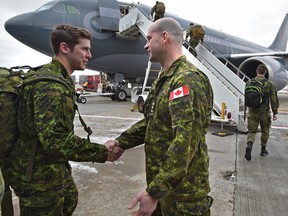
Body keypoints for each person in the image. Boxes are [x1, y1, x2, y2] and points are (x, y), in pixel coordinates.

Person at [7, 24, 124, 215]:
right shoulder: (50, 85)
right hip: (38, 180)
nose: (89, 55)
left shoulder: (58, 79)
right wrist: (102, 152)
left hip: (51, 169)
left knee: (70, 197)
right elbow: (56, 141)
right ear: (64, 48)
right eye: (84, 49)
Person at [116, 17, 214, 216]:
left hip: (183, 195)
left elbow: (185, 142)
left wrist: (155, 191)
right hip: (163, 189)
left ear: (164, 38)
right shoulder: (165, 79)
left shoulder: (187, 80)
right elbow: (152, 123)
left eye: (149, 38)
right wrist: (120, 142)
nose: (145, 45)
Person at [245, 64, 279, 161]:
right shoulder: (269, 84)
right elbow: (273, 99)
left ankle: (249, 145)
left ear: (257, 71)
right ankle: (263, 150)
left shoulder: (249, 82)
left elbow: (247, 96)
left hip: (252, 111)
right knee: (265, 131)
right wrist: (275, 112)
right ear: (265, 72)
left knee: (252, 131)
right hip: (264, 112)